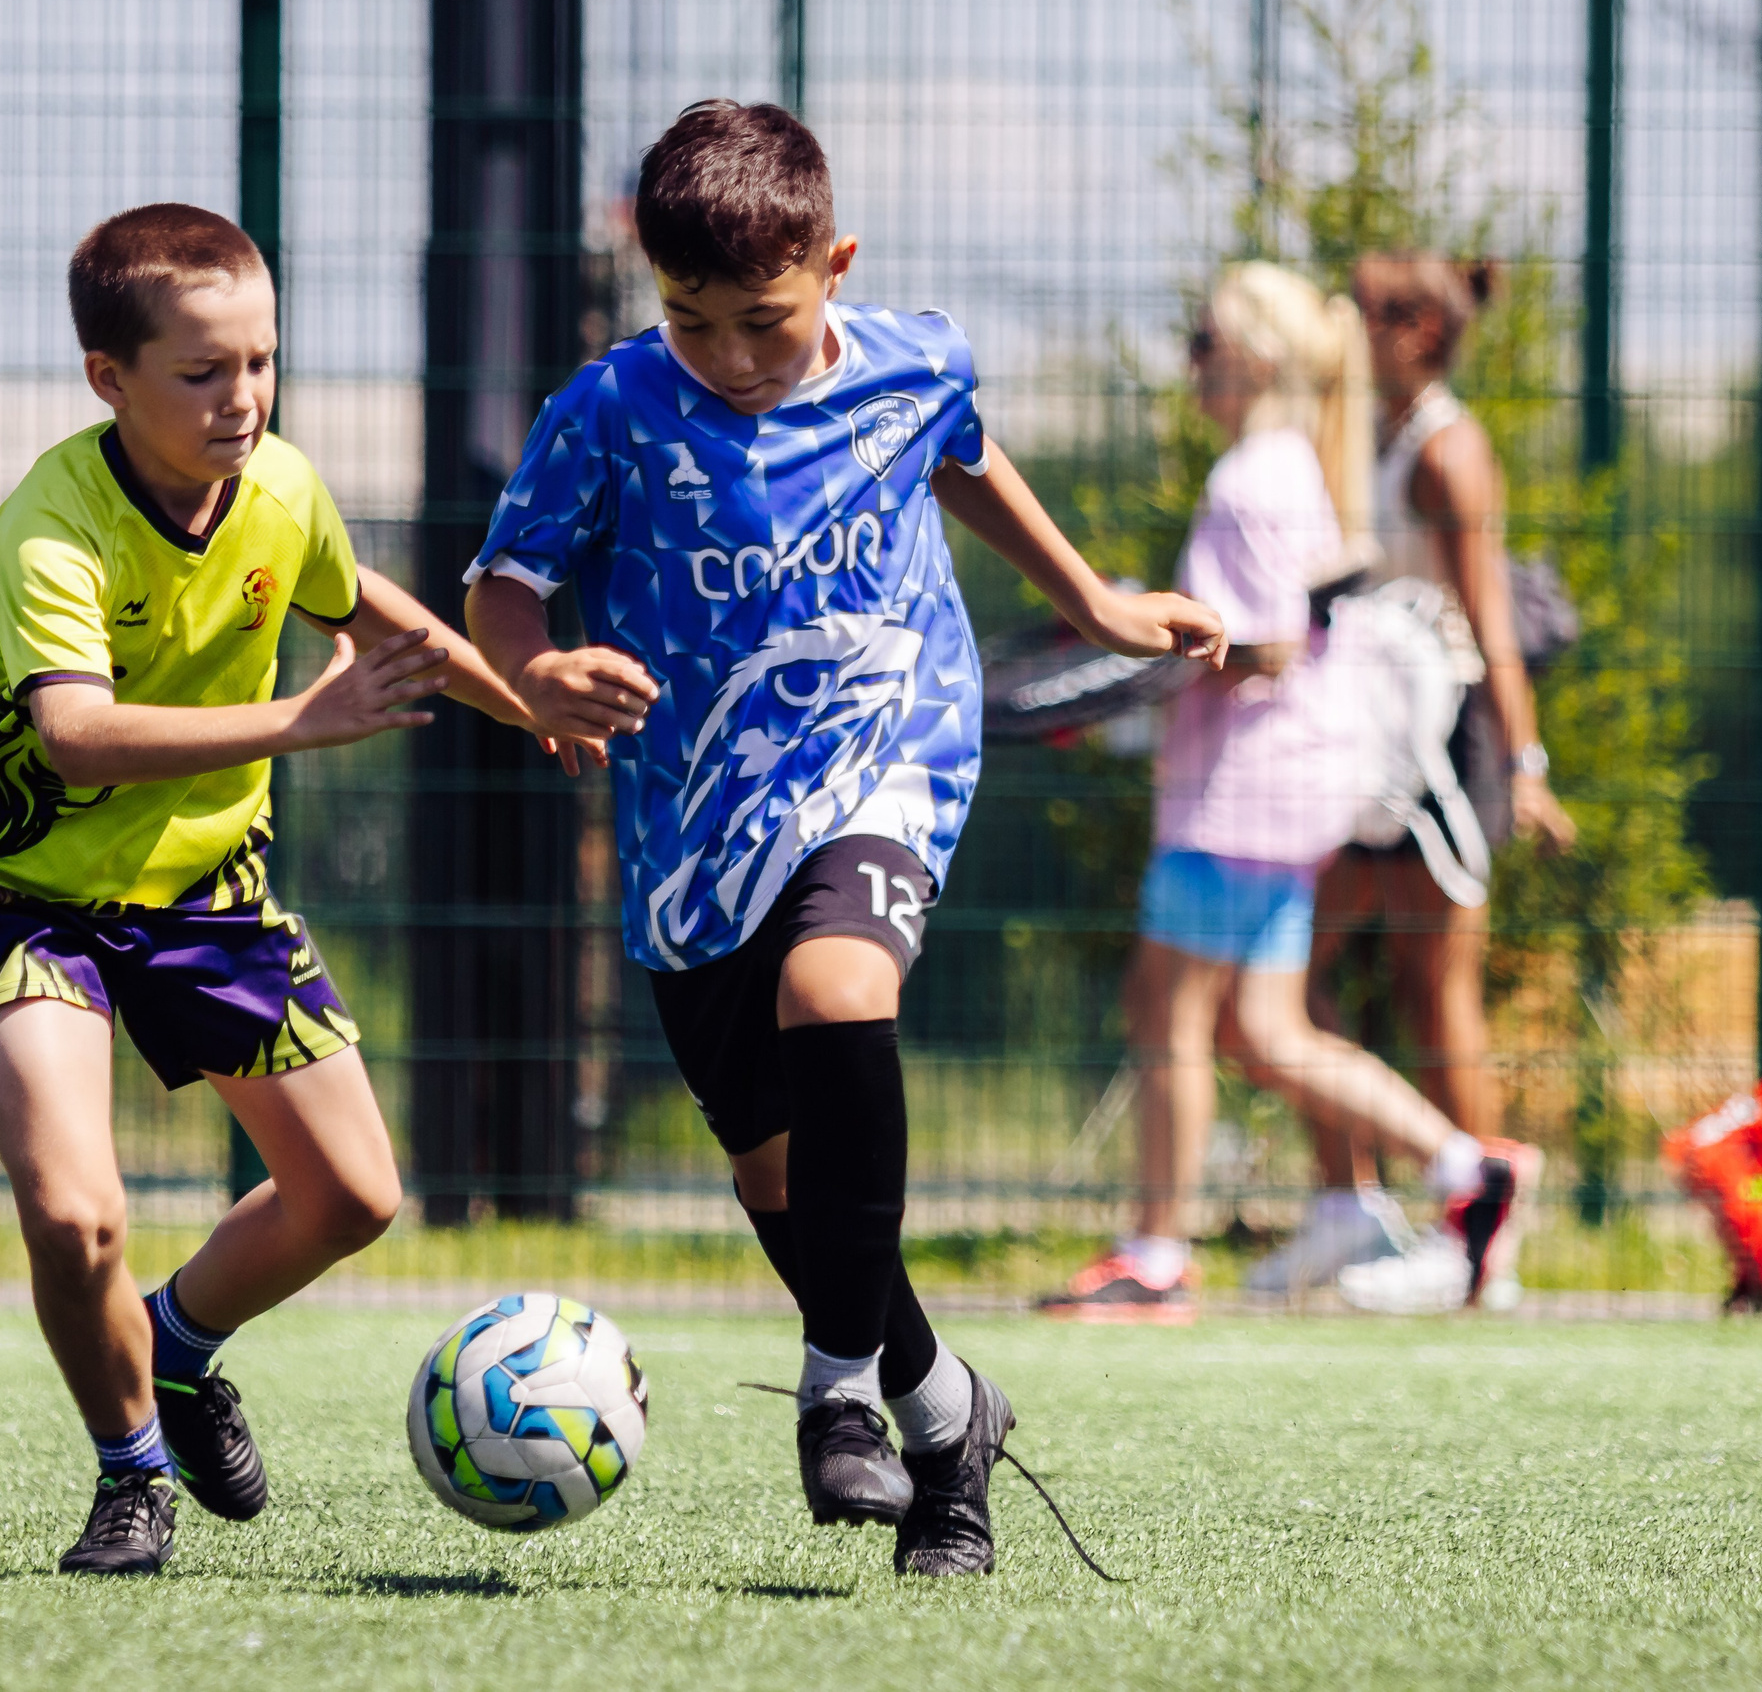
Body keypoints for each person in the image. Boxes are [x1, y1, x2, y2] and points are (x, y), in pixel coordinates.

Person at [461, 100, 1224, 1577]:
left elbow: (968, 455)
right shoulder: (612, 406)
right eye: (692, 320)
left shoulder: (915, 359)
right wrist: (538, 668)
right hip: (694, 819)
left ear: (836, 264)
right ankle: (948, 1423)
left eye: (762, 320)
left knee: (837, 988)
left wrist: (1098, 607)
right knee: (778, 1183)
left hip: (891, 749)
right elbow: (508, 581)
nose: (731, 359)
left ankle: (837, 1394)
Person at [0, 204, 556, 1576]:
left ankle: (182, 1344)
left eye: (260, 360)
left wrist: (539, 709)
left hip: (208, 889)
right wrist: (298, 726)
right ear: (110, 379)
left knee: (355, 1194)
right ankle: (131, 1465)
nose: (243, 397)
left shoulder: (281, 487)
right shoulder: (52, 526)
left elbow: (380, 612)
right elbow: (75, 734)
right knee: (74, 1208)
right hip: (28, 897)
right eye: (202, 371)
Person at [1033, 263, 1541, 1324]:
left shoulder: (1252, 479)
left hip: (1240, 792)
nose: (1194, 366)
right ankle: (1467, 1171)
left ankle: (1156, 1252)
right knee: (1266, 1032)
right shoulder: (1290, 468)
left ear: (1256, 359)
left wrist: (1129, 654)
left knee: (1167, 1010)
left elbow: (1260, 645)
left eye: (1205, 345)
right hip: (1272, 789)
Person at [1305, 253, 1576, 1315]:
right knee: (1288, 972)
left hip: (1442, 747)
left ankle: (1479, 1250)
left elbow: (1490, 625)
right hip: (1375, 741)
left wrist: (1524, 765)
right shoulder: (1366, 427)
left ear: (1415, 331)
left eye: (1360, 312)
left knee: (1432, 989)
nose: (1342, 325)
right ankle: (1347, 1208)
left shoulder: (1448, 452)